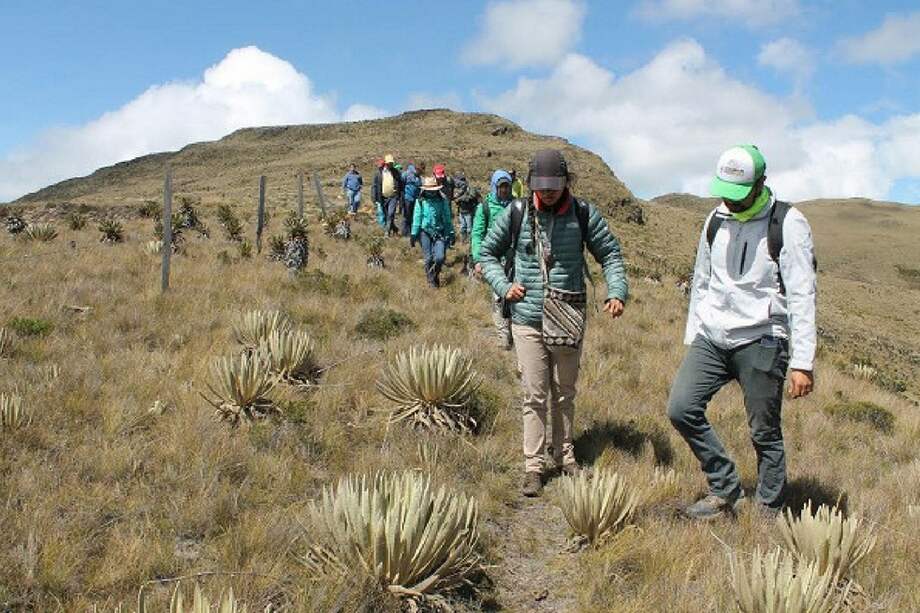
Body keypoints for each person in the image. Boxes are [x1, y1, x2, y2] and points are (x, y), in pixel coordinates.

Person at [667, 144, 817, 520]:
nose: (729, 201)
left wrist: (803, 361)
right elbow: (702, 279)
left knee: (764, 431)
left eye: (738, 194)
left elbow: (802, 293)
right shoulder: (714, 219)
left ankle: (769, 508)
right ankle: (725, 488)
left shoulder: (788, 223)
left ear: (761, 183)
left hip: (763, 339)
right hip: (713, 337)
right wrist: (694, 335)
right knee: (682, 408)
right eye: (724, 193)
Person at [478, 149, 628, 497]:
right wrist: (503, 285)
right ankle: (533, 466)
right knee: (534, 394)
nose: (546, 193)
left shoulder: (584, 214)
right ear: (529, 184)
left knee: (565, 392)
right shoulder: (516, 213)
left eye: (553, 186)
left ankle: (564, 456)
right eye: (540, 186)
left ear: (566, 183)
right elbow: (487, 253)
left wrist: (616, 291)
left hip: (567, 317)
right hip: (527, 317)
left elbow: (610, 254)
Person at [471, 170, 514, 349]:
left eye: (507, 186)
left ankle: (514, 331)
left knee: (515, 295)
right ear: (494, 186)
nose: (504, 190)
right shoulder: (485, 207)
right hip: (493, 259)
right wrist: (478, 259)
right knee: (499, 296)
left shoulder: (518, 205)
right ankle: (503, 336)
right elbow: (477, 234)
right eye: (501, 186)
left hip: (515, 259)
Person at [412, 176, 456, 288]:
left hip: (440, 232)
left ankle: (435, 274)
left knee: (440, 257)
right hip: (424, 232)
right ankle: (431, 281)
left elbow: (447, 217)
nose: (430, 192)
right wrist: (414, 234)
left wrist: (451, 233)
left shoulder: (443, 200)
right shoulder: (420, 201)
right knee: (428, 258)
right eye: (428, 190)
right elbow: (417, 218)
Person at [453, 172, 480, 244]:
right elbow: (455, 199)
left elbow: (471, 197)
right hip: (462, 211)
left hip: (469, 211)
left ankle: (471, 242)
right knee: (463, 227)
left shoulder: (470, 188)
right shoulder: (459, 190)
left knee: (469, 228)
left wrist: (460, 199)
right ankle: (463, 241)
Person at [381, 154, 403, 237]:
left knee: (390, 214)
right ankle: (394, 229)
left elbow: (400, 184)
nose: (391, 164)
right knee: (387, 215)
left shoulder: (396, 172)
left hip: (393, 196)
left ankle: (387, 232)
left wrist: (399, 194)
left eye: (391, 163)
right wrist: (374, 197)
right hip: (383, 197)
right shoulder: (380, 172)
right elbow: (376, 185)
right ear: (386, 163)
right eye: (389, 163)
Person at [401, 163, 422, 243]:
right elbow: (401, 183)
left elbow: (419, 188)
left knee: (413, 217)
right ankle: (405, 233)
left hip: (415, 199)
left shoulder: (418, 178)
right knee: (406, 216)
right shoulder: (407, 174)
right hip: (407, 198)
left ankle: (412, 233)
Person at [372, 159, 387, 228]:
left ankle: (386, 226)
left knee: (386, 212)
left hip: (387, 196)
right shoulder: (376, 174)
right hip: (379, 197)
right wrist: (373, 197)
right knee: (381, 212)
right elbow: (374, 186)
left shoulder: (388, 173)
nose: (380, 167)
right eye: (380, 166)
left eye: (382, 166)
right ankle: (382, 227)